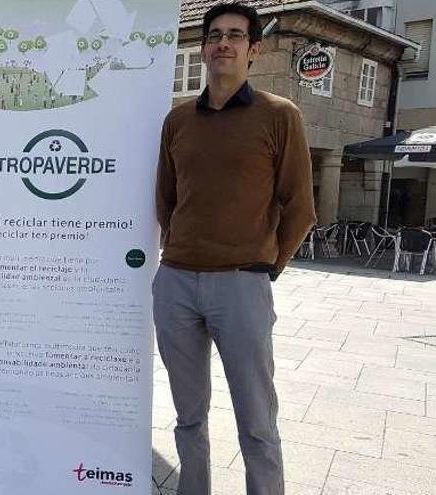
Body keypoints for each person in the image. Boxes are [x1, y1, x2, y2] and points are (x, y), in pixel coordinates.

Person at [154, 3, 316, 495]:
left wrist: (266, 267)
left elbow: (301, 208)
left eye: (235, 35)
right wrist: (182, 249)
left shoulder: (279, 115)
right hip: (177, 282)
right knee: (187, 416)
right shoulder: (178, 120)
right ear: (203, 48)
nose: (223, 43)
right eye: (215, 35)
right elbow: (166, 198)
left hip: (243, 283)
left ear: (254, 49)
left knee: (257, 418)